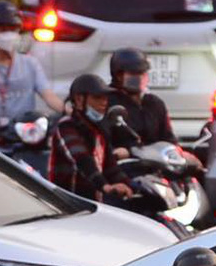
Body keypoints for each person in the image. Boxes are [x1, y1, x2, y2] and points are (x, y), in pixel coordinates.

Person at [0, 2, 63, 146]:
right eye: (3, 30)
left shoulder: (30, 64)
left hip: (27, 137)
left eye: (13, 29)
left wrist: (71, 111)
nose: (8, 35)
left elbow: (49, 97)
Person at [51, 74, 145, 210]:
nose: (104, 102)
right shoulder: (66, 126)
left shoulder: (100, 131)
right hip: (66, 206)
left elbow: (111, 168)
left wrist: (133, 186)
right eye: (97, 97)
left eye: (105, 98)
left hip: (92, 207)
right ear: (79, 100)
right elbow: (82, 159)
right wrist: (105, 186)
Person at [107, 48, 177, 148]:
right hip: (124, 161)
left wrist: (180, 153)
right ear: (119, 75)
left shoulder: (155, 103)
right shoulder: (107, 101)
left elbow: (168, 138)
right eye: (134, 73)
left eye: (143, 73)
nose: (140, 77)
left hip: (156, 160)